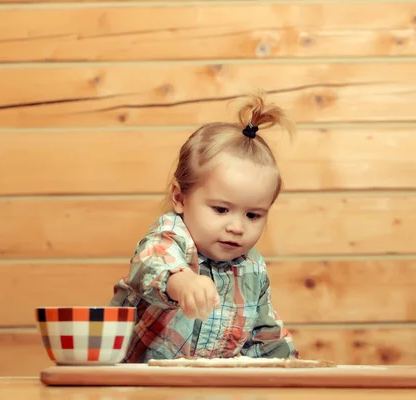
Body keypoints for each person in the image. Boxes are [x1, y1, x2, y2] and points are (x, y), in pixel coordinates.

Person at [109, 91, 300, 362]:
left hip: (208, 391)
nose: (237, 227)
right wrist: (181, 281)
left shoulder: (252, 268)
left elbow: (265, 335)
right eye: (221, 209)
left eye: (253, 215)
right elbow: (150, 264)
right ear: (179, 198)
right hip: (140, 387)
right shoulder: (171, 237)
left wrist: (289, 366)